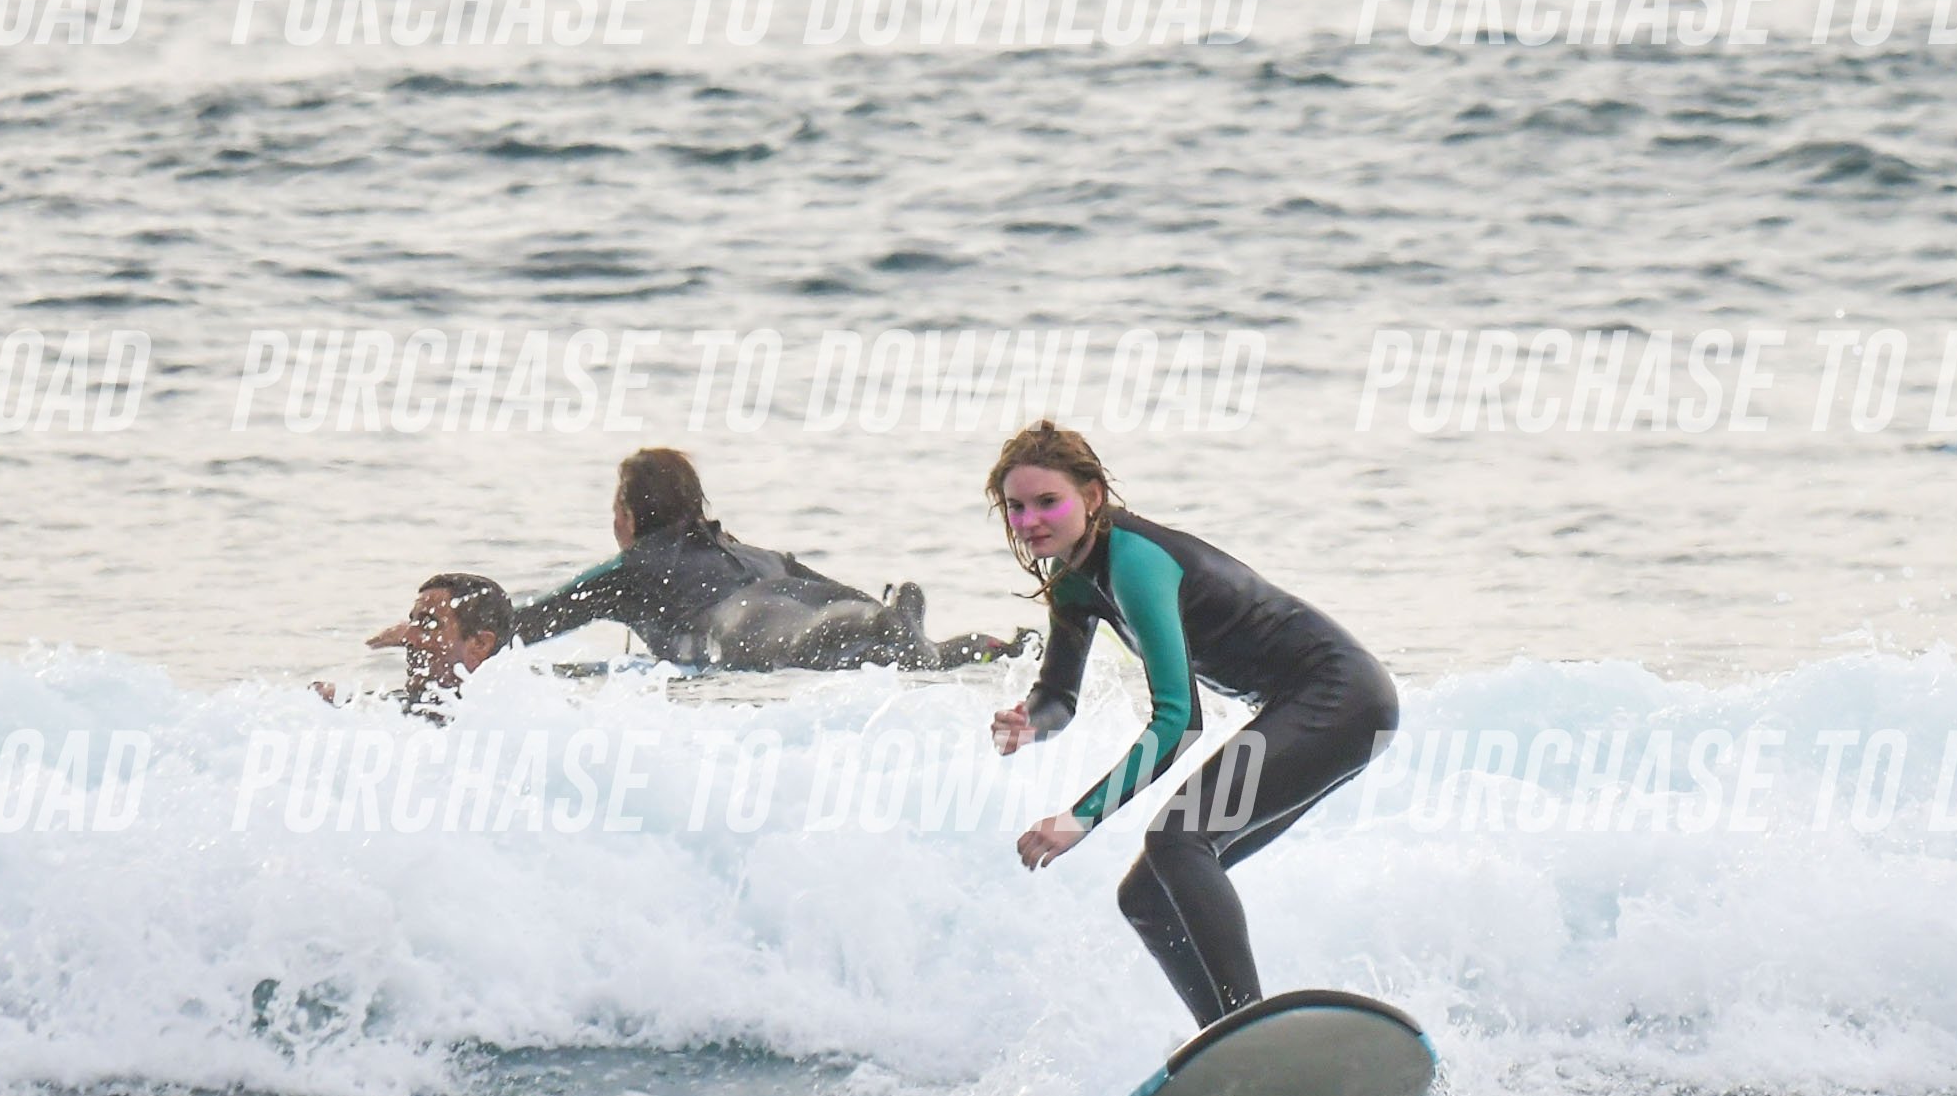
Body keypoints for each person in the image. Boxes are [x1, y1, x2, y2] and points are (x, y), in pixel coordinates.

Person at [984, 419, 1394, 1031]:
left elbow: (1179, 721)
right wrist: (1031, 723)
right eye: (1016, 508)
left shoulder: (1135, 563)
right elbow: (1058, 697)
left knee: (1180, 839)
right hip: (1315, 705)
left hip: (1340, 698)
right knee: (1146, 897)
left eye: (1049, 501)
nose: (1031, 520)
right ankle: (1225, 1044)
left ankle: (1249, 1027)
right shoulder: (1073, 581)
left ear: (1092, 495)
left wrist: (1080, 818)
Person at [513, 447, 1014, 670]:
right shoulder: (755, 553)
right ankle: (957, 640)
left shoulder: (631, 571)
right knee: (883, 636)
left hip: (746, 620)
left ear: (626, 514)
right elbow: (847, 594)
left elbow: (521, 626)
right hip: (804, 595)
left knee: (813, 642)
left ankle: (898, 629)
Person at [322, 572, 513, 713]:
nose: (406, 638)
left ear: (480, 644)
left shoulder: (499, 719)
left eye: (428, 624)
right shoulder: (408, 708)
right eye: (412, 622)